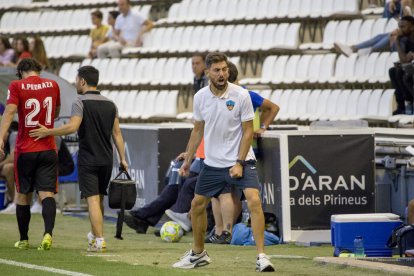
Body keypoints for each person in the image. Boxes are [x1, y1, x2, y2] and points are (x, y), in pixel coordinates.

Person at [172, 52, 275, 272]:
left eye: (225, 69)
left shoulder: (241, 95)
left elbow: (248, 132)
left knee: (254, 201)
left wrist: (238, 162)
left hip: (241, 161)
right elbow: (197, 130)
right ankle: (198, 254)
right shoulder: (200, 97)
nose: (222, 74)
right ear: (208, 72)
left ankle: (262, 256)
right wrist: (188, 160)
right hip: (212, 163)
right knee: (196, 206)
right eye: (217, 70)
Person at [29, 65, 128, 253]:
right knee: (97, 199)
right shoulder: (111, 104)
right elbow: (117, 134)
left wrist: (47, 131)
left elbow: (72, 127)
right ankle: (93, 236)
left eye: (76, 79)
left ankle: (99, 239)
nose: (76, 83)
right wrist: (123, 158)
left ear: (82, 81)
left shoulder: (80, 102)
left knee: (91, 200)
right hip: (107, 159)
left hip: (88, 159)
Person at [0, 58, 61, 250]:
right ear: (38, 70)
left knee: (22, 195)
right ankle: (48, 234)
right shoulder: (52, 84)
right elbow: (57, 112)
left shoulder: (17, 85)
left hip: (26, 148)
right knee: (47, 194)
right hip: (48, 147)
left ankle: (24, 239)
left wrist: (0, 138)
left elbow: (9, 112)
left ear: (20, 72)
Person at [389, 16, 414, 115]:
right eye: (399, 27)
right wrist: (398, 40)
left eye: (403, 26)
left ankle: (409, 102)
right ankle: (401, 106)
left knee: (405, 75)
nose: (400, 29)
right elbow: (404, 60)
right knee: (393, 71)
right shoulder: (407, 40)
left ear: (412, 27)